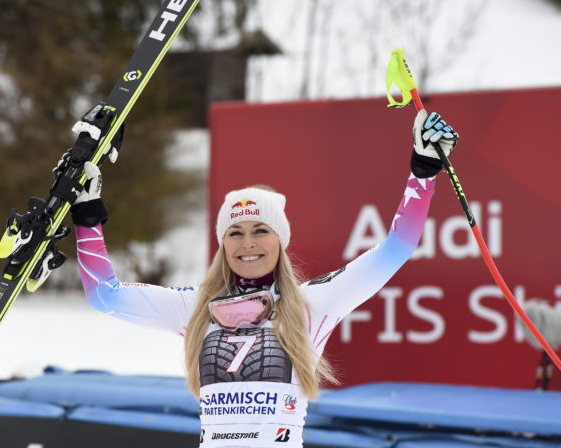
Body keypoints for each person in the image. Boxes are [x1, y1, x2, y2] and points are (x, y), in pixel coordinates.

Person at [69, 109, 458, 447]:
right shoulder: (195, 308)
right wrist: (87, 217)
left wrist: (422, 172)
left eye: (261, 230)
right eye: (235, 233)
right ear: (223, 244)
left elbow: (397, 248)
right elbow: (106, 296)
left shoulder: (311, 304)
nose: (247, 243)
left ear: (280, 240)